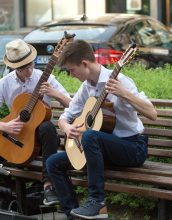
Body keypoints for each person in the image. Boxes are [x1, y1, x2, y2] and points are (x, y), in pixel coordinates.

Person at [46, 40, 157, 219]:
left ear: (85, 64)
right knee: (53, 163)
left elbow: (153, 113)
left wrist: (124, 94)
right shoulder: (86, 87)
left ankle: (97, 202)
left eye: (72, 70)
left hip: (133, 148)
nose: (71, 75)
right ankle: (72, 214)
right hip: (102, 149)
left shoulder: (121, 82)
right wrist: (67, 127)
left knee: (91, 136)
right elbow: (65, 117)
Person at [0, 39, 71, 207]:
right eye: (22, 68)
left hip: (42, 142)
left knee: (47, 127)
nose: (28, 71)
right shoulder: (4, 84)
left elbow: (73, 105)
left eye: (30, 65)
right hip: (15, 139)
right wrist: (4, 126)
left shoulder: (46, 78)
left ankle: (48, 187)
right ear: (13, 67)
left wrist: (55, 93)